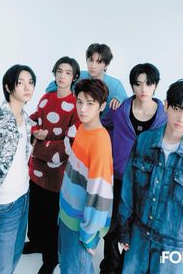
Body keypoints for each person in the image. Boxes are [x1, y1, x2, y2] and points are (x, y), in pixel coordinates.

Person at [118, 79, 183, 274]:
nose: (181, 117)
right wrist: (124, 230)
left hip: (176, 243)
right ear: (166, 106)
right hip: (139, 236)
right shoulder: (144, 141)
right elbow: (128, 188)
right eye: (177, 108)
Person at [100, 63, 167, 273]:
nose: (143, 89)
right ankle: (110, 267)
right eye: (138, 84)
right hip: (118, 177)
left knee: (137, 225)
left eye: (148, 83)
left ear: (156, 85)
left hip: (145, 180)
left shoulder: (164, 116)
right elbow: (103, 124)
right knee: (112, 225)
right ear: (132, 86)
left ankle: (130, 266)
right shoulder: (120, 109)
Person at [23, 57, 81, 274]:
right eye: (59, 71)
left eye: (67, 72)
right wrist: (35, 132)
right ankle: (36, 242)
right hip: (36, 170)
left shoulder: (76, 105)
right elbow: (34, 119)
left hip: (57, 175)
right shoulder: (46, 98)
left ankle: (50, 257)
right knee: (35, 212)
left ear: (74, 77)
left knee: (50, 217)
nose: (62, 76)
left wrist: (38, 146)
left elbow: (69, 143)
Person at [0, 64, 36, 274]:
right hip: (2, 203)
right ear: (8, 86)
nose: (27, 87)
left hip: (23, 197)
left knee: (15, 255)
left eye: (30, 82)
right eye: (20, 83)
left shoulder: (26, 120)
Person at [58, 79, 113, 274]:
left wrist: (89, 234)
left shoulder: (100, 141)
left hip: (81, 227)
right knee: (67, 266)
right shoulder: (82, 128)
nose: (83, 109)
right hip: (67, 216)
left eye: (90, 103)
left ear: (102, 106)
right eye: (79, 102)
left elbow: (100, 194)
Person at [45, 43, 127, 117]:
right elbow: (51, 87)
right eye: (91, 60)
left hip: (103, 127)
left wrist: (119, 98)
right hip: (74, 122)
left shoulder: (116, 85)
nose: (93, 66)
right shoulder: (79, 75)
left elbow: (128, 104)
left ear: (106, 65)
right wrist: (68, 88)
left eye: (99, 62)